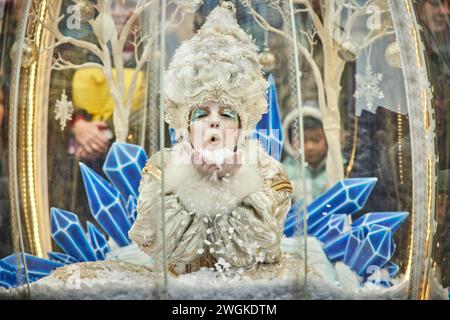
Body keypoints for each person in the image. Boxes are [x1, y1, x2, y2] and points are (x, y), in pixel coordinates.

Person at [128, 2, 293, 275]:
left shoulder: (268, 172)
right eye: (202, 112)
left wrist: (234, 187)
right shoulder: (162, 167)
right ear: (186, 124)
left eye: (227, 113)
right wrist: (188, 184)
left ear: (242, 125)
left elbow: (258, 247)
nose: (214, 121)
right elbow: (155, 239)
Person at [282, 106, 328, 203]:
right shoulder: (283, 174)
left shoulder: (340, 167)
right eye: (302, 140)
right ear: (290, 141)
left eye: (316, 140)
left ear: (327, 139)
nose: (309, 147)